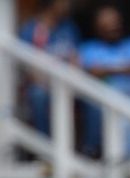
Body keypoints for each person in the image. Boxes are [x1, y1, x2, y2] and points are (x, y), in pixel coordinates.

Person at [78, 5, 130, 159]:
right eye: (107, 24)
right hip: (105, 96)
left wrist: (107, 69)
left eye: (115, 23)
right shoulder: (89, 48)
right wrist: (122, 68)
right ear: (98, 27)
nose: (113, 27)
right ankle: (123, 158)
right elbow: (91, 73)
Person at [19, 0, 80, 137]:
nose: (68, 5)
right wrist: (47, 82)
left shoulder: (69, 28)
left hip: (67, 82)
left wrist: (69, 79)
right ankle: (44, 145)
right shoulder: (30, 29)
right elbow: (27, 67)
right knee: (38, 94)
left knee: (89, 99)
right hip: (40, 83)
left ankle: (89, 148)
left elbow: (75, 58)